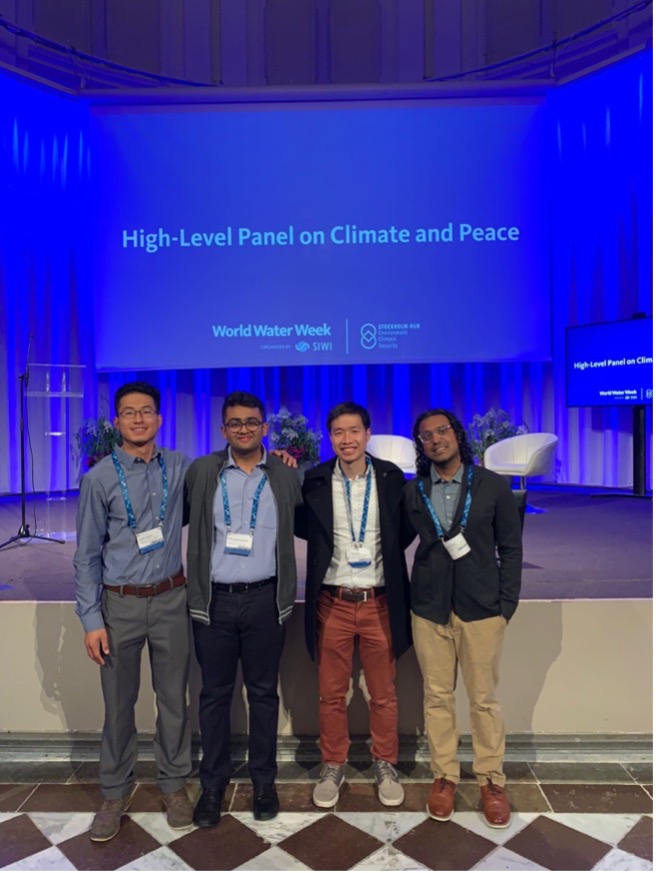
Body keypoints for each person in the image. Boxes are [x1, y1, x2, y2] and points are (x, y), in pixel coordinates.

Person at [73, 381, 193, 842]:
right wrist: (91, 621)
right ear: (117, 422)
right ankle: (114, 792)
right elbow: (85, 555)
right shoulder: (100, 478)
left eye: (147, 411)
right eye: (129, 412)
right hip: (118, 605)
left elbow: (227, 468)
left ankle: (174, 785)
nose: (139, 419)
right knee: (118, 707)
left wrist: (278, 456)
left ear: (160, 419)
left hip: (170, 601)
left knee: (173, 702)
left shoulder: (180, 467)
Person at [185, 390, 303, 828]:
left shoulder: (285, 475)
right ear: (223, 430)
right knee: (214, 697)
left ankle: (263, 782)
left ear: (265, 427)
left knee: (263, 695)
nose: (244, 429)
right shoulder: (203, 472)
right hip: (214, 602)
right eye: (235, 423)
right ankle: (212, 785)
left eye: (252, 422)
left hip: (265, 601)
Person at [404, 408, 522, 828]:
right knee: (437, 698)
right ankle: (444, 777)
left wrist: (506, 605)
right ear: (421, 446)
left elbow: (511, 548)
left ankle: (491, 780)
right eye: (426, 436)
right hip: (430, 609)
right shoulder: (414, 491)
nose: (436, 439)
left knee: (484, 700)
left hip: (482, 610)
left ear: (457, 435)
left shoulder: (491, 485)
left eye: (442, 431)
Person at [302, 401, 413, 808]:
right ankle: (333, 763)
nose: (346, 440)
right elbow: (306, 530)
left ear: (367, 434)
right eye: (338, 433)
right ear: (330, 438)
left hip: (378, 601)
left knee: (383, 694)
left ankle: (385, 761)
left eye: (353, 431)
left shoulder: (390, 478)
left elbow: (402, 533)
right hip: (332, 601)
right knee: (331, 695)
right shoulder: (314, 480)